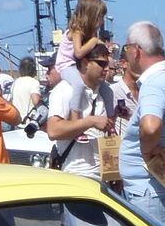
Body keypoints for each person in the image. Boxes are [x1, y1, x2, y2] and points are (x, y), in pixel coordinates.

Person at [118, 22, 165, 226]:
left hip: (149, 191)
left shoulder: (154, 84)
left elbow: (151, 127)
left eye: (126, 49)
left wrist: (146, 150)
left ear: (136, 50)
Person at [45, 38, 116, 178]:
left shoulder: (103, 92)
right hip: (75, 176)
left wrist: (113, 173)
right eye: (101, 63)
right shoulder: (65, 90)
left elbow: (108, 135)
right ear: (85, 63)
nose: (106, 69)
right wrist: (90, 121)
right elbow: (53, 131)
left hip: (101, 176)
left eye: (107, 64)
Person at [52, 0, 107, 91]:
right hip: (66, 66)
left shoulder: (91, 33)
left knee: (105, 88)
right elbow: (79, 53)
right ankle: (75, 106)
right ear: (91, 16)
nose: (102, 22)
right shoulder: (76, 31)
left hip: (77, 65)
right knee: (79, 85)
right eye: (100, 17)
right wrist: (94, 41)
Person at [9, 56, 43, 128]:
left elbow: (11, 102)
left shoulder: (15, 83)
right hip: (30, 123)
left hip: (17, 123)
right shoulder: (34, 82)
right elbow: (36, 101)